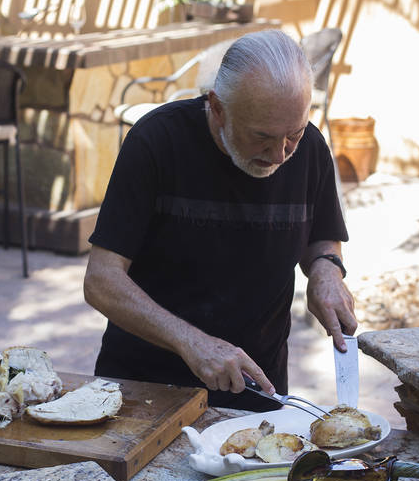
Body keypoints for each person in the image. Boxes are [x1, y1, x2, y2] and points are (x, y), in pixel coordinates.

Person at [83, 29, 356, 410]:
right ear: (217, 106)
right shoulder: (156, 142)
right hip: (144, 392)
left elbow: (322, 237)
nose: (280, 154)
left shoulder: (309, 148)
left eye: (292, 134)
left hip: (257, 391)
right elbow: (101, 280)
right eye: (262, 136)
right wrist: (191, 342)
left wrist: (327, 271)